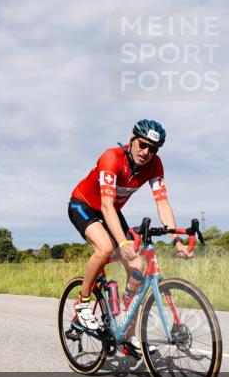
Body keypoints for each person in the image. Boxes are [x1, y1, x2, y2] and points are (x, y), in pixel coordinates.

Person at [67, 120, 192, 346]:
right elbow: (106, 205)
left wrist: (176, 240)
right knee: (105, 248)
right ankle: (83, 301)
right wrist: (123, 242)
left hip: (111, 211)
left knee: (137, 267)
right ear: (132, 139)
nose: (146, 152)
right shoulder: (112, 157)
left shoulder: (154, 165)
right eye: (142, 145)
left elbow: (162, 203)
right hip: (84, 205)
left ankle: (127, 337)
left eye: (152, 149)